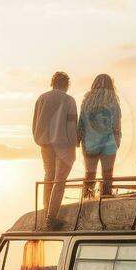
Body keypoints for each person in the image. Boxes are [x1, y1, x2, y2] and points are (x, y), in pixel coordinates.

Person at [33, 71, 79, 228]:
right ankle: (51, 218)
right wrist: (75, 143)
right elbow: (72, 125)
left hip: (45, 144)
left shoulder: (42, 98)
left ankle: (46, 213)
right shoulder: (69, 100)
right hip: (63, 144)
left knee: (49, 177)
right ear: (66, 84)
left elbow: (35, 123)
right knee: (60, 180)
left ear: (53, 83)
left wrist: (39, 139)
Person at [78, 73, 122, 198]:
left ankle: (87, 199)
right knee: (107, 175)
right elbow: (116, 125)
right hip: (109, 144)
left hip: (90, 143)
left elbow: (81, 123)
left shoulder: (87, 101)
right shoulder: (113, 101)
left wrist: (79, 141)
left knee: (89, 175)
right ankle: (105, 199)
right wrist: (117, 142)